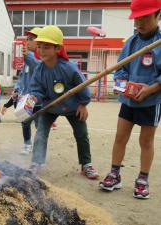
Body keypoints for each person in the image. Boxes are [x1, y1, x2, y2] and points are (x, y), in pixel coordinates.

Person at [99, 0, 161, 199]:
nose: (140, 22)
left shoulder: (159, 43)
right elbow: (121, 69)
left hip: (151, 102)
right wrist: (123, 85)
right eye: (137, 18)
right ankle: (115, 173)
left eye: (145, 17)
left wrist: (151, 88)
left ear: (158, 15)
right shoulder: (131, 43)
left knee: (146, 141)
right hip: (128, 101)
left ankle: (142, 179)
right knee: (120, 137)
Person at [28, 25, 99, 179]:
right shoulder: (39, 70)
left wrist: (83, 104)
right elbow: (36, 89)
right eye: (39, 46)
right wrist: (35, 97)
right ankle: (36, 163)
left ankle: (86, 164)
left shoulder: (69, 68)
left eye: (46, 47)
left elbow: (82, 86)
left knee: (81, 134)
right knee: (41, 133)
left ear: (57, 48)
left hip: (73, 107)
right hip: (50, 107)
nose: (41, 50)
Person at [14, 27, 42, 155]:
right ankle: (27, 144)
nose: (28, 42)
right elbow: (21, 77)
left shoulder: (41, 58)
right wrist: (16, 90)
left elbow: (37, 65)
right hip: (25, 99)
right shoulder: (26, 60)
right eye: (27, 39)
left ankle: (39, 147)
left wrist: (27, 56)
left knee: (40, 125)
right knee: (25, 122)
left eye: (31, 39)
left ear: (39, 41)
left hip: (38, 100)